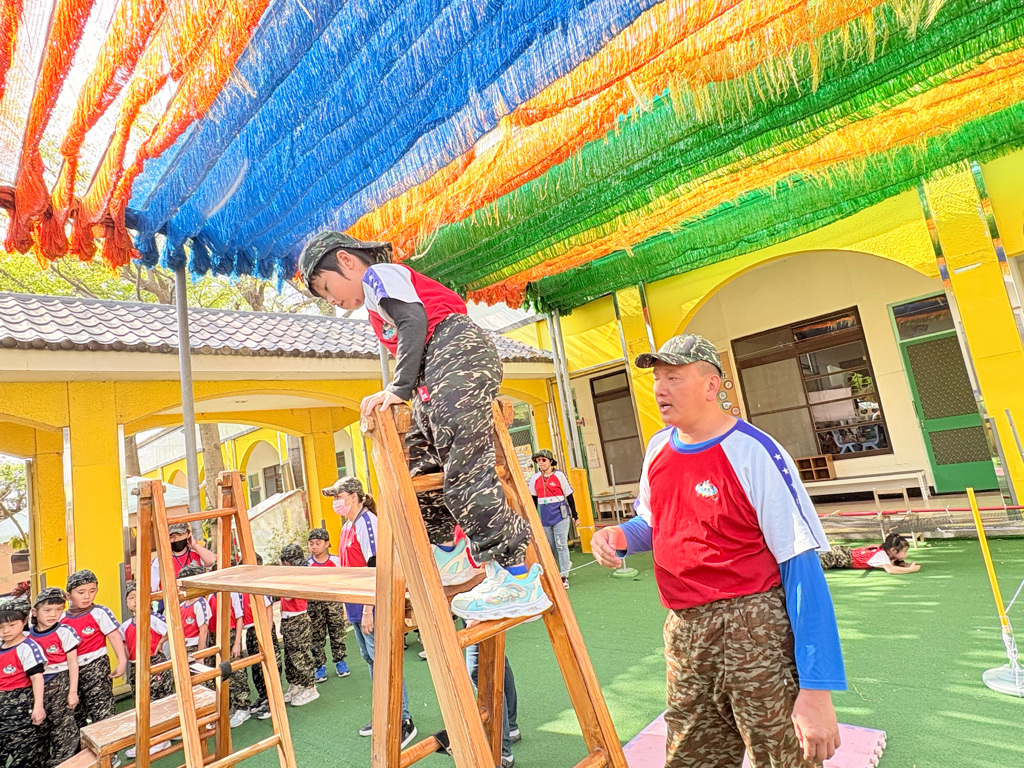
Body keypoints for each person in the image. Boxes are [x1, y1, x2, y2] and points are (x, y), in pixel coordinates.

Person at [589, 334, 846, 768]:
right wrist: (618, 535)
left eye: (674, 377)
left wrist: (817, 690)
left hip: (753, 626)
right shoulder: (658, 448)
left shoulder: (755, 452)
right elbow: (652, 523)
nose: (660, 388)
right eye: (656, 378)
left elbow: (800, 566)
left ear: (712, 385)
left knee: (783, 757)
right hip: (684, 631)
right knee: (690, 757)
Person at [300, 232, 548, 621]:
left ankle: (516, 575)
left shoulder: (379, 275)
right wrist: (410, 390)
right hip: (432, 376)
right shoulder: (374, 307)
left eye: (327, 288)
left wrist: (397, 389)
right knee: (418, 461)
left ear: (346, 260)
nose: (331, 300)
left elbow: (414, 321)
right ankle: (448, 551)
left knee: (463, 460)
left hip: (458, 351)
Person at [325, 476, 417, 748]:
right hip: (356, 604)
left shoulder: (368, 523)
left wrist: (368, 609)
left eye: (339, 497)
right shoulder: (348, 526)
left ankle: (403, 718)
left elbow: (377, 568)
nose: (335, 502)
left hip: (371, 605)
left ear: (354, 496)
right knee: (370, 659)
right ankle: (384, 713)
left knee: (384, 661)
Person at [61, 570, 127, 729]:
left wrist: (122, 661)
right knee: (75, 714)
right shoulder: (61, 619)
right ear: (68, 595)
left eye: (92, 591)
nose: (87, 596)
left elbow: (114, 635)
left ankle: (110, 744)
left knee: (103, 711)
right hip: (70, 670)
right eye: (81, 592)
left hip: (96, 666)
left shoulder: (100, 612)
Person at [118, 582, 172, 757]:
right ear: (127, 602)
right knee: (141, 702)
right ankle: (151, 735)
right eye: (131, 598)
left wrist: (160, 643)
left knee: (157, 700)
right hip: (136, 666)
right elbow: (122, 641)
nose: (135, 601)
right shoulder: (126, 625)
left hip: (154, 663)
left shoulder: (153, 618)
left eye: (139, 596)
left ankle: (161, 737)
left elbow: (171, 629)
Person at [29, 587, 81, 766]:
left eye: (59, 609)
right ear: (34, 611)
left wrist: (72, 692)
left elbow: (73, 663)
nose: (53, 614)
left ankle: (66, 762)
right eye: (47, 610)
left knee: (63, 727)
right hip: (35, 685)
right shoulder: (26, 634)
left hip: (60, 682)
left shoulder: (65, 632)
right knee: (40, 729)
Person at [0, 596, 47, 768]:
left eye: (12, 625)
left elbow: (37, 678)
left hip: (20, 708)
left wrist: (38, 707)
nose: (6, 631)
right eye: (1, 627)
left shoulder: (27, 647)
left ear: (24, 621)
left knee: (24, 755)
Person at [306, 528, 351, 682]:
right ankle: (319, 666)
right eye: (311, 544)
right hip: (314, 606)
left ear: (327, 544)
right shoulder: (306, 564)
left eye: (318, 543)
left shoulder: (337, 561)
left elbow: (344, 581)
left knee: (337, 633)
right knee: (316, 636)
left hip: (333, 604)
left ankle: (340, 661)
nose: (314, 547)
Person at [277, 544, 319, 707]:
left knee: (299, 655)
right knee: (289, 655)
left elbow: (287, 595)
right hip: (287, 619)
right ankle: (296, 683)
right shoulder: (290, 574)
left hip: (298, 619)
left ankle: (310, 686)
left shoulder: (296, 574)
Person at [529, 449, 577, 588]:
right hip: (545, 517)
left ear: (550, 461)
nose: (541, 463)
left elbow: (569, 496)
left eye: (543, 460)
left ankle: (564, 576)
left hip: (561, 516)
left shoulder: (559, 476)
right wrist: (533, 518)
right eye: (538, 460)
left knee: (561, 544)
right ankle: (565, 563)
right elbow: (533, 500)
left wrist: (575, 515)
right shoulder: (534, 479)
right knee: (550, 546)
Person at [242, 553, 279, 721]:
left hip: (263, 628)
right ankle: (263, 696)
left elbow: (268, 609)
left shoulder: (260, 586)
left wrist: (267, 631)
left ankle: (273, 700)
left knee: (269, 664)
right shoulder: (242, 587)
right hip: (251, 629)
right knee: (256, 666)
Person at [151, 522, 216, 591]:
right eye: (171, 537)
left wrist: (195, 545)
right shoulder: (159, 561)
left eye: (180, 535)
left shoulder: (197, 554)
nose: (176, 539)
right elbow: (152, 588)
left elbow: (212, 561)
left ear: (188, 534)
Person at [819, 533, 921, 574]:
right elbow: (890, 570)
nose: (906, 554)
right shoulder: (881, 555)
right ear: (893, 550)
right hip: (838, 557)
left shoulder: (882, 549)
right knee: (816, 566)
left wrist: (901, 563)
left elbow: (892, 562)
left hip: (841, 552)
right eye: (904, 551)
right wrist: (910, 570)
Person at [176, 564, 212, 655]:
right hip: (183, 645)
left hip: (195, 645)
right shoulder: (182, 605)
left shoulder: (200, 603)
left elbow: (203, 631)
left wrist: (200, 655)